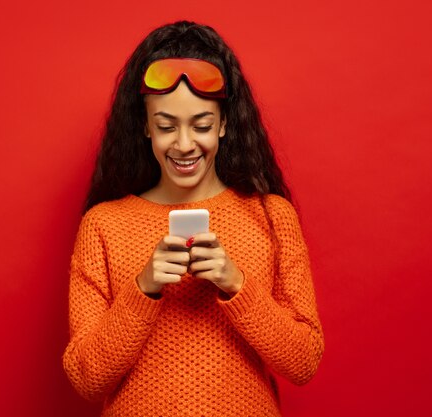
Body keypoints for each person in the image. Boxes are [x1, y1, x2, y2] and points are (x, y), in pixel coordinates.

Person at [63, 20, 324, 417]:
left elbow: (303, 363)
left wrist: (236, 285)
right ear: (146, 127)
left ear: (223, 125)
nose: (185, 145)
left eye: (201, 125)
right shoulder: (103, 225)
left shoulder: (271, 217)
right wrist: (143, 289)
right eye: (167, 126)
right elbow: (85, 378)